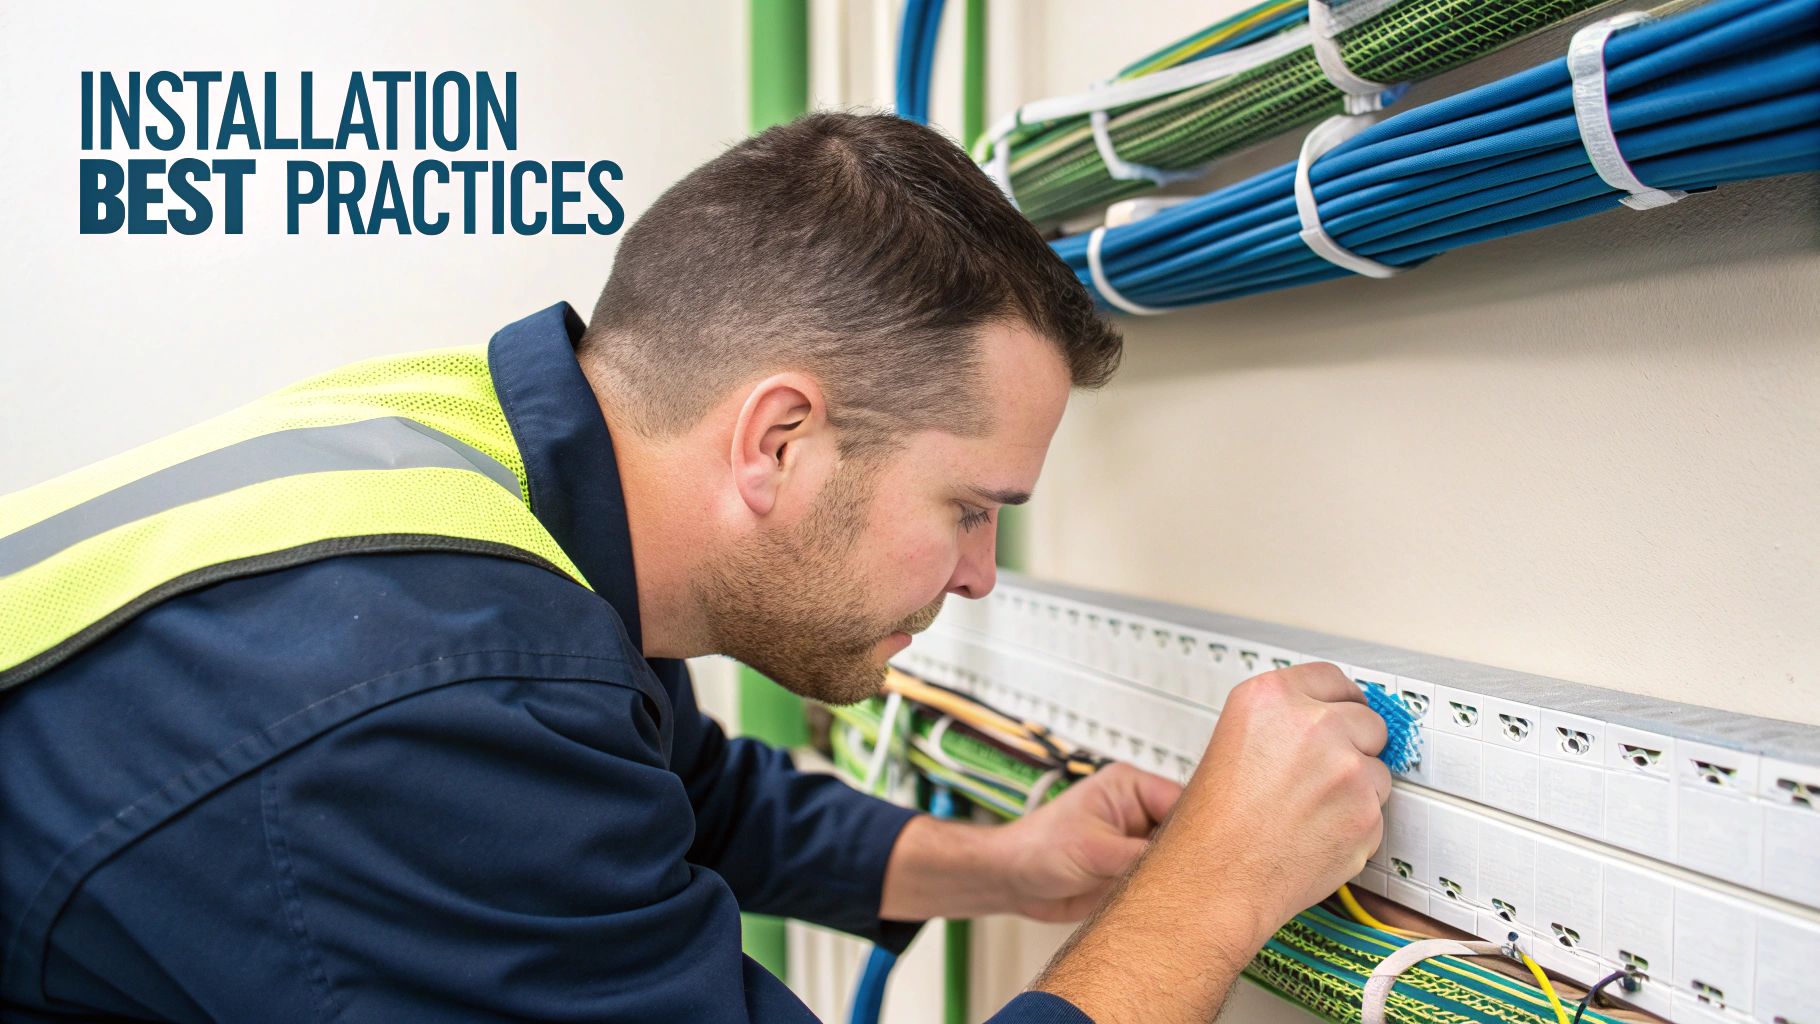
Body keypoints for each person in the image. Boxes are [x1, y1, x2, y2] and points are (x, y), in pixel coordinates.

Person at [0, 111, 1388, 1023]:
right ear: (779, 440)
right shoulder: (432, 700)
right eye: (970, 507)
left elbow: (678, 791)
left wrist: (1010, 866)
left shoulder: (499, 483)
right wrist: (1211, 887)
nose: (979, 576)